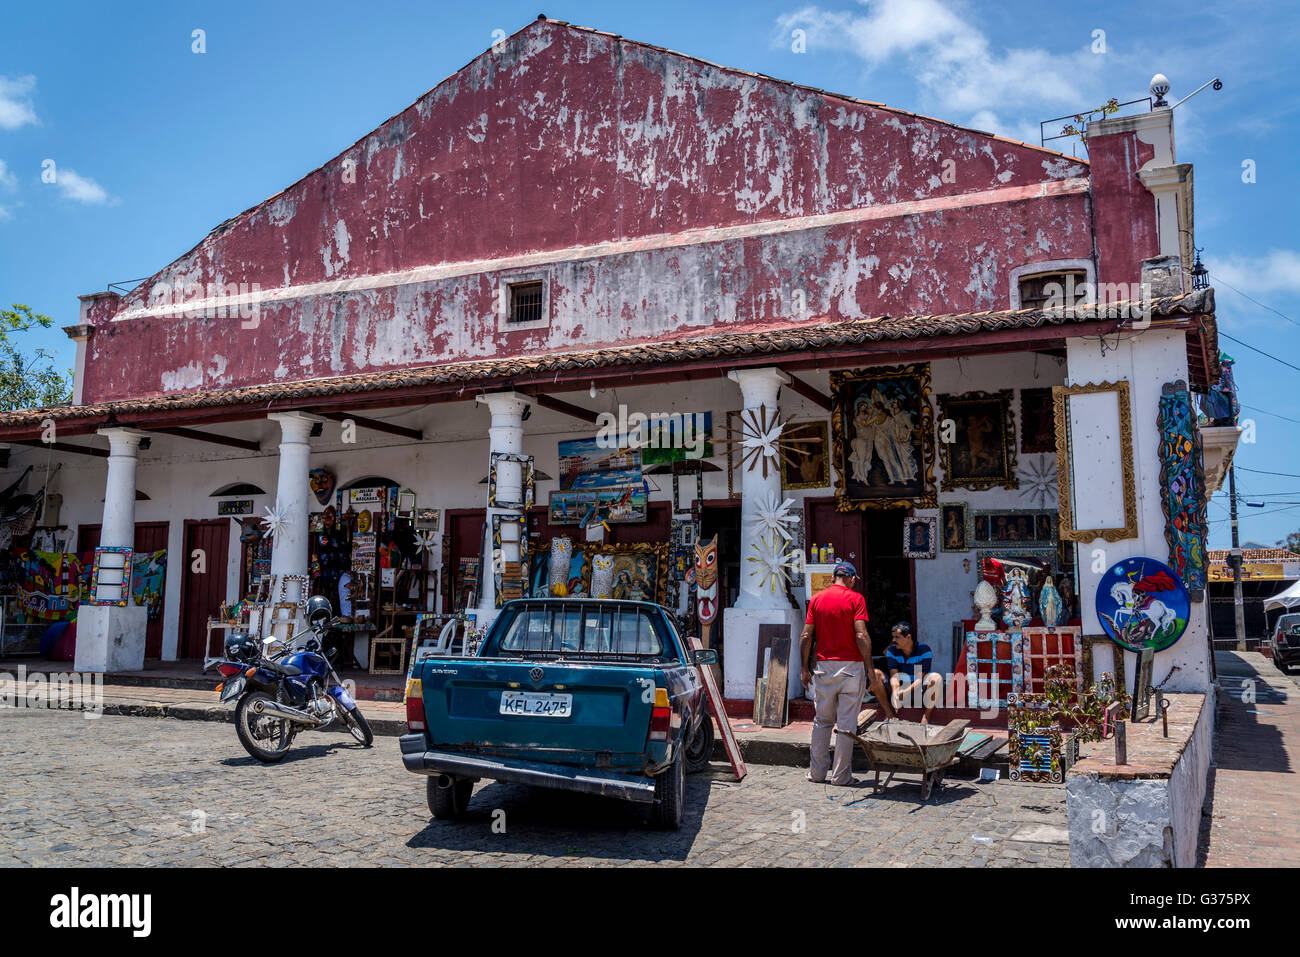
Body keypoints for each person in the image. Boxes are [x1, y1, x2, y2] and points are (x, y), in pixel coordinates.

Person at [800, 561, 895, 786]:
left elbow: (806, 637)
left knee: (821, 721)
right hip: (851, 668)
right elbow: (862, 636)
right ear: (851, 578)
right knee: (846, 724)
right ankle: (841, 776)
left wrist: (804, 668)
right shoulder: (856, 599)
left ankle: (817, 772)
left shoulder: (817, 599)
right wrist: (870, 670)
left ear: (834, 577)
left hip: (823, 667)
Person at [882, 622, 943, 724]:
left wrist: (904, 692)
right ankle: (889, 713)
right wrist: (896, 692)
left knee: (936, 678)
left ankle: (926, 717)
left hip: (919, 692)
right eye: (893, 637)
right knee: (875, 674)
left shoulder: (924, 650)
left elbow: (920, 679)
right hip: (901, 689)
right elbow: (894, 676)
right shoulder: (892, 651)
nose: (893, 640)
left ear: (908, 637)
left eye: (897, 637)